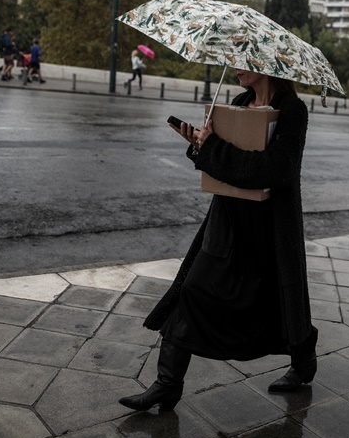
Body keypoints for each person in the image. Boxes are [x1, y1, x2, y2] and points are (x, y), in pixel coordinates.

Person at [119, 69, 318, 413]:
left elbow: (277, 169)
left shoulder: (292, 109)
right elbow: (222, 164)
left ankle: (303, 364)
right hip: (227, 222)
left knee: (281, 299)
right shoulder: (238, 103)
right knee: (191, 290)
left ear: (263, 66)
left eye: (243, 61)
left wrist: (213, 147)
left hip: (270, 227)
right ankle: (167, 385)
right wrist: (199, 145)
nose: (236, 67)